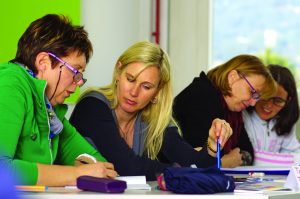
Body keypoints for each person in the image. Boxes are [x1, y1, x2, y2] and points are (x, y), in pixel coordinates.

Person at [69, 41, 233, 180]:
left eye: (146, 86)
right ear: (118, 71)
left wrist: (211, 147)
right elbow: (128, 167)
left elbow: (196, 164)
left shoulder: (154, 117)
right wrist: (182, 170)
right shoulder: (92, 105)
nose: (134, 92)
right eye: (130, 79)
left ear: (158, 91)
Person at [0, 14, 117, 186]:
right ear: (43, 62)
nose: (78, 84)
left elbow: (103, 169)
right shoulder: (9, 84)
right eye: (75, 72)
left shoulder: (50, 109)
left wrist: (86, 162)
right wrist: (75, 174)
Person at [173, 55, 277, 167]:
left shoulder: (232, 108)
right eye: (253, 92)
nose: (253, 103)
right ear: (232, 77)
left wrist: (227, 160)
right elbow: (196, 161)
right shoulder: (201, 96)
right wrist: (224, 162)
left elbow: (248, 152)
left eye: (257, 97)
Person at [243, 64, 300, 165]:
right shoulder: (242, 116)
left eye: (278, 100)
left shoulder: (286, 120)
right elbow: (247, 157)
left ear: (288, 100)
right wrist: (289, 160)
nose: (268, 105)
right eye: (265, 96)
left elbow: (296, 154)